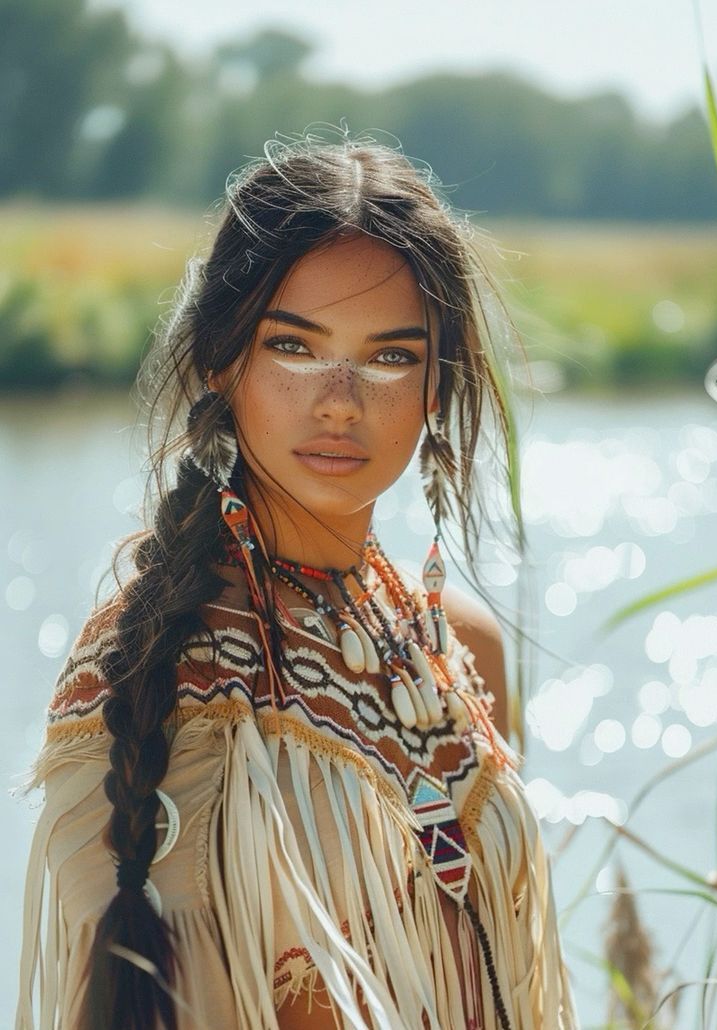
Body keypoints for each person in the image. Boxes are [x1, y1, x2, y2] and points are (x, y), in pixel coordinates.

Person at [15, 131, 579, 1029]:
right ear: (220, 358)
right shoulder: (161, 668)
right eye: (294, 346)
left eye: (391, 356)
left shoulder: (463, 651)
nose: (341, 401)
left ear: (439, 382)